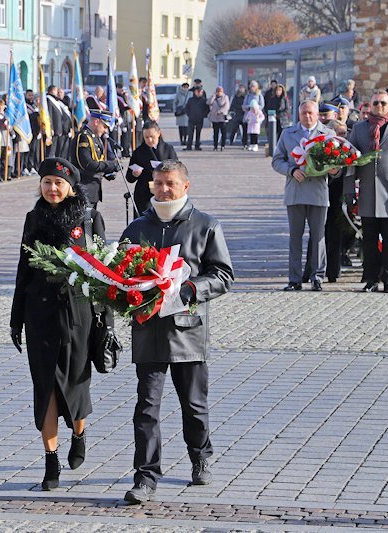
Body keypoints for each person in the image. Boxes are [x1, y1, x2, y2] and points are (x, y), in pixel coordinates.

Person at [120, 159, 234, 504]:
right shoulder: (137, 227)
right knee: (146, 408)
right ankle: (145, 476)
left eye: (170, 183)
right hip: (149, 330)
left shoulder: (205, 226)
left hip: (188, 331)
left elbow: (223, 274)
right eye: (158, 183)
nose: (163, 189)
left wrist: (189, 289)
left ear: (186, 185)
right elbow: (120, 273)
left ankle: (200, 457)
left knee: (194, 405)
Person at [9, 157, 104, 491]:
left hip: (77, 315)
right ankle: (51, 462)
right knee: (45, 387)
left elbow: (102, 272)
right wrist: (15, 318)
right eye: (47, 182)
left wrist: (104, 319)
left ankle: (79, 432)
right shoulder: (32, 219)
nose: (52, 188)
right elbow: (24, 268)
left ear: (70, 187)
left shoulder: (89, 218)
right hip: (40, 315)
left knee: (75, 385)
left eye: (58, 183)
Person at [344, 89, 388, 293]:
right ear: (371, 105)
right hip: (368, 191)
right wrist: (349, 189)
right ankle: (371, 278)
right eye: (376, 103)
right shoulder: (359, 128)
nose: (379, 107)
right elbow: (351, 161)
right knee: (369, 239)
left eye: (383, 103)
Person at [272, 100, 336, 291]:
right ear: (298, 115)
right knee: (295, 237)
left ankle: (317, 277)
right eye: (303, 114)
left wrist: (334, 170)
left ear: (317, 114)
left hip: (318, 191)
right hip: (296, 191)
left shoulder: (328, 134)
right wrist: (291, 170)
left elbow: (336, 162)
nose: (307, 117)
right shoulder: (288, 133)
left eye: (310, 113)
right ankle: (294, 279)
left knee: (318, 236)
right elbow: (277, 160)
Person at [127, 119, 178, 215]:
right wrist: (134, 174)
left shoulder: (168, 149)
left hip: (164, 191)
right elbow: (129, 177)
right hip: (144, 193)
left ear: (159, 133)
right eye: (146, 137)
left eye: (152, 137)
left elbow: (177, 169)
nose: (149, 140)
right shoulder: (138, 152)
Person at [71, 108, 119, 209]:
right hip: (84, 188)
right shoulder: (84, 137)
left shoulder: (95, 138)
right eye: (104, 126)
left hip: (93, 189)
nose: (106, 130)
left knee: (91, 221)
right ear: (96, 122)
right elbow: (87, 164)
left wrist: (107, 173)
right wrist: (111, 165)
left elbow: (98, 161)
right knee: (86, 223)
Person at [183, 87, 208, 151]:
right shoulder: (191, 100)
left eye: (200, 92)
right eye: (198, 92)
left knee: (198, 133)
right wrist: (189, 115)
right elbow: (186, 108)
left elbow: (207, 109)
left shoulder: (204, 100)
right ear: (195, 92)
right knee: (190, 133)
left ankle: (197, 146)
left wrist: (203, 115)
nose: (199, 93)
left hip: (200, 119)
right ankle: (189, 146)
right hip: (191, 119)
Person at [242, 82, 265, 150]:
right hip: (249, 115)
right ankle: (247, 144)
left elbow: (262, 105)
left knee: (255, 132)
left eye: (253, 86)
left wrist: (256, 108)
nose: (252, 88)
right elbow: (244, 104)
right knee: (247, 131)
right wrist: (249, 107)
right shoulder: (248, 95)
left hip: (256, 116)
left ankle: (255, 144)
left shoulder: (259, 95)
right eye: (251, 86)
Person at [207, 87, 230, 151]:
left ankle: (223, 145)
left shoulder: (225, 97)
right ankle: (215, 146)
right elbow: (208, 103)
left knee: (223, 132)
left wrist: (220, 111)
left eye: (220, 91)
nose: (219, 92)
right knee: (215, 132)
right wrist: (213, 96)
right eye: (218, 91)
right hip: (214, 117)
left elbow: (227, 106)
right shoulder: (214, 97)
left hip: (222, 117)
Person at [173, 82, 191, 147]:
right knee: (181, 128)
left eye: (187, 87)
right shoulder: (178, 94)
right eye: (184, 87)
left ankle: (185, 140)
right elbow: (175, 103)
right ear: (182, 87)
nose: (185, 88)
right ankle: (181, 140)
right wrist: (175, 110)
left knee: (187, 128)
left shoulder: (190, 94)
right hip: (180, 113)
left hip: (187, 113)